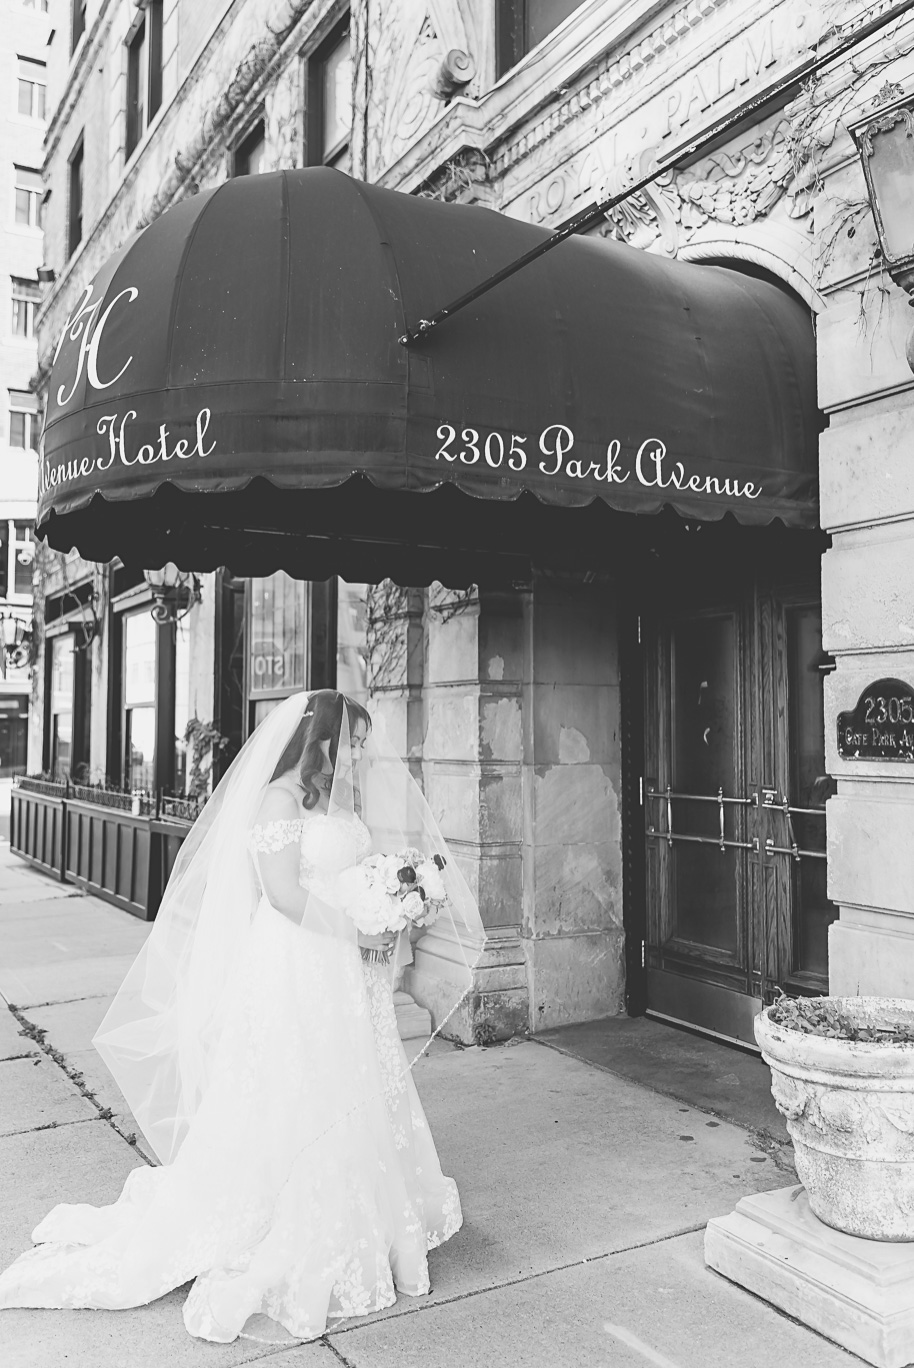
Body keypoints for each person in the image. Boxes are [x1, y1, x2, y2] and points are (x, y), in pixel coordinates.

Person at [0, 690, 485, 1343]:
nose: (361, 753)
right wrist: (361, 927)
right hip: (297, 963)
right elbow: (284, 896)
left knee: (349, 1083)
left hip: (342, 964)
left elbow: (337, 874)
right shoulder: (277, 799)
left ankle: (362, 1214)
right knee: (295, 1086)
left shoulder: (335, 803)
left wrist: (390, 897)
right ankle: (289, 1219)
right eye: (354, 740)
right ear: (322, 742)